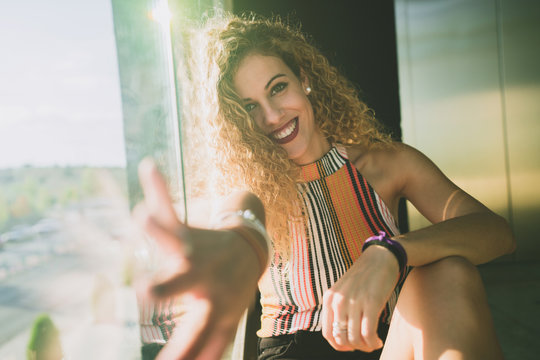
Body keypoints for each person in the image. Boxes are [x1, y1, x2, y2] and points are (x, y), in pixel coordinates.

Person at [133, 13, 516, 360]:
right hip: (294, 351)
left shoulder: (386, 164)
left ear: (304, 78)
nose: (271, 116)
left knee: (446, 274)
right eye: (249, 107)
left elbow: (495, 232)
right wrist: (238, 248)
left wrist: (388, 252)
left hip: (393, 344)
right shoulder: (249, 188)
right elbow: (240, 217)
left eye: (278, 88)